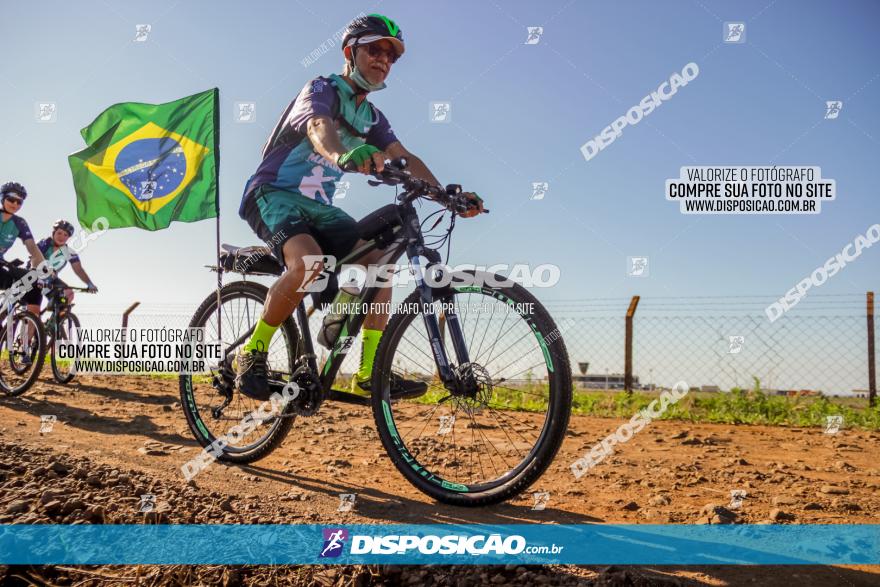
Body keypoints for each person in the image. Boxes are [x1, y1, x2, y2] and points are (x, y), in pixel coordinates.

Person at [235, 14, 485, 400]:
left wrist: (446, 195)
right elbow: (318, 125)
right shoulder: (323, 88)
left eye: (392, 55)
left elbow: (403, 156)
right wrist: (343, 154)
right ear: (351, 52)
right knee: (309, 265)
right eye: (375, 49)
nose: (384, 59)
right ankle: (253, 353)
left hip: (320, 209)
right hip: (274, 194)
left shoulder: (372, 117)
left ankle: (369, 371)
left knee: (380, 261)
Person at [0, 182, 50, 363]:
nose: (14, 204)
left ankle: (27, 325)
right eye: (11, 199)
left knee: (34, 282)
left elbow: (33, 250)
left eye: (19, 202)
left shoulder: (19, 223)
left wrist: (42, 270)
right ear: (2, 198)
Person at [34, 219, 99, 305]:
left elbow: (78, 269)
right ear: (54, 233)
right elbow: (34, 260)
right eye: (59, 233)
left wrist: (89, 284)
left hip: (51, 279)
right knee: (34, 305)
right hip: (33, 276)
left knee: (68, 294)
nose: (62, 237)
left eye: (66, 235)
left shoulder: (68, 252)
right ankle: (30, 316)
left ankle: (58, 316)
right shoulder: (44, 243)